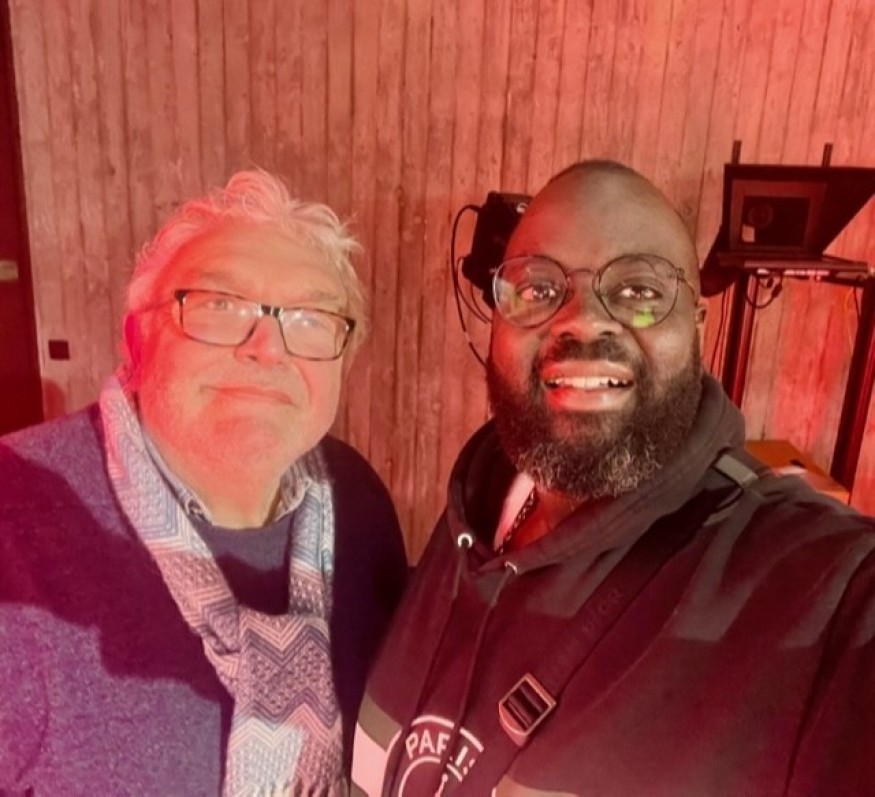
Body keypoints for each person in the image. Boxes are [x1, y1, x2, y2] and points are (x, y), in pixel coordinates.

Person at [351, 160, 875, 795]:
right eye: (538, 288)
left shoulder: (817, 593)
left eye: (640, 290)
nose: (582, 319)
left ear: (697, 328)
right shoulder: (473, 511)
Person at [0, 170, 408, 796]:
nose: (268, 348)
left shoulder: (356, 502)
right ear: (136, 339)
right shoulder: (16, 512)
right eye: (220, 305)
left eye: (310, 317)